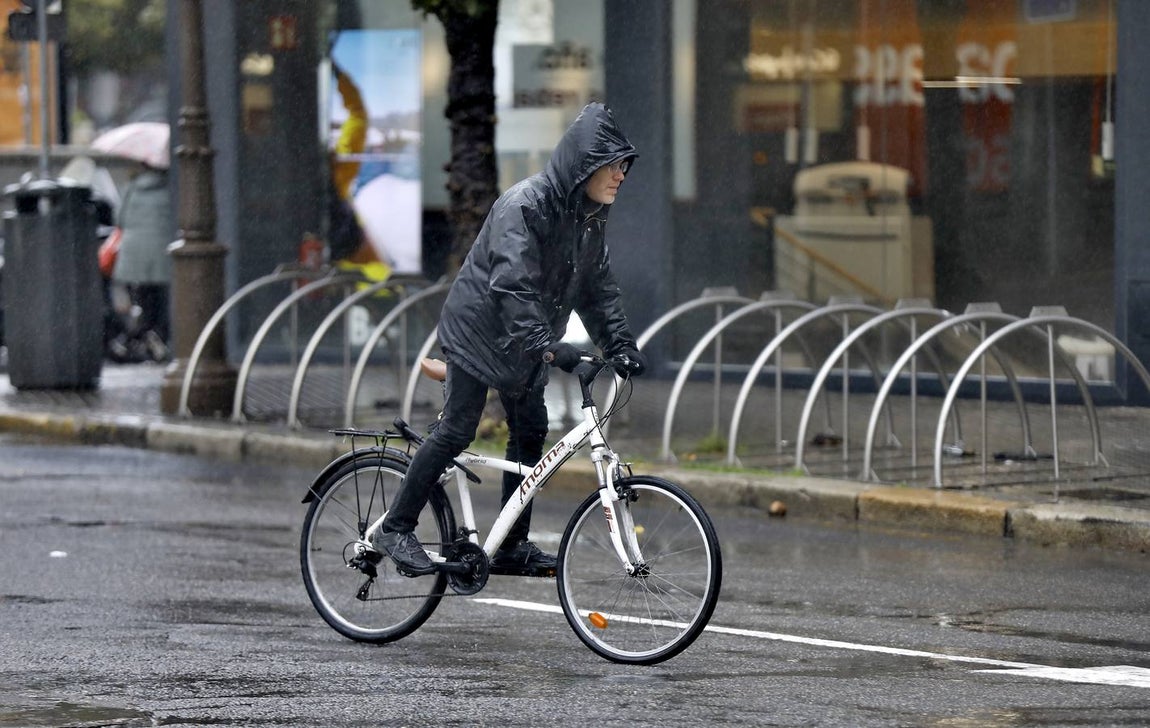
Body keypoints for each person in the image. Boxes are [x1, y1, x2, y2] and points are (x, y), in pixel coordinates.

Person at [374, 102, 648, 575]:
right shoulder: (525, 205)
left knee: (530, 428)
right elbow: (512, 284)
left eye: (625, 166)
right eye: (612, 165)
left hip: (523, 341)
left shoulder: (588, 218)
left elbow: (597, 288)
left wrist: (620, 344)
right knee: (458, 428)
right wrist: (548, 345)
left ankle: (510, 545)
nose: (621, 175)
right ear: (584, 164)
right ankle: (394, 527)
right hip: (479, 332)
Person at [111, 161, 174, 359]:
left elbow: (119, 219)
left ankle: (136, 335)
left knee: (141, 297)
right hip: (160, 251)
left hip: (133, 253)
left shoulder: (131, 188)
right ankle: (155, 335)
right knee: (161, 298)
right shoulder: (170, 190)